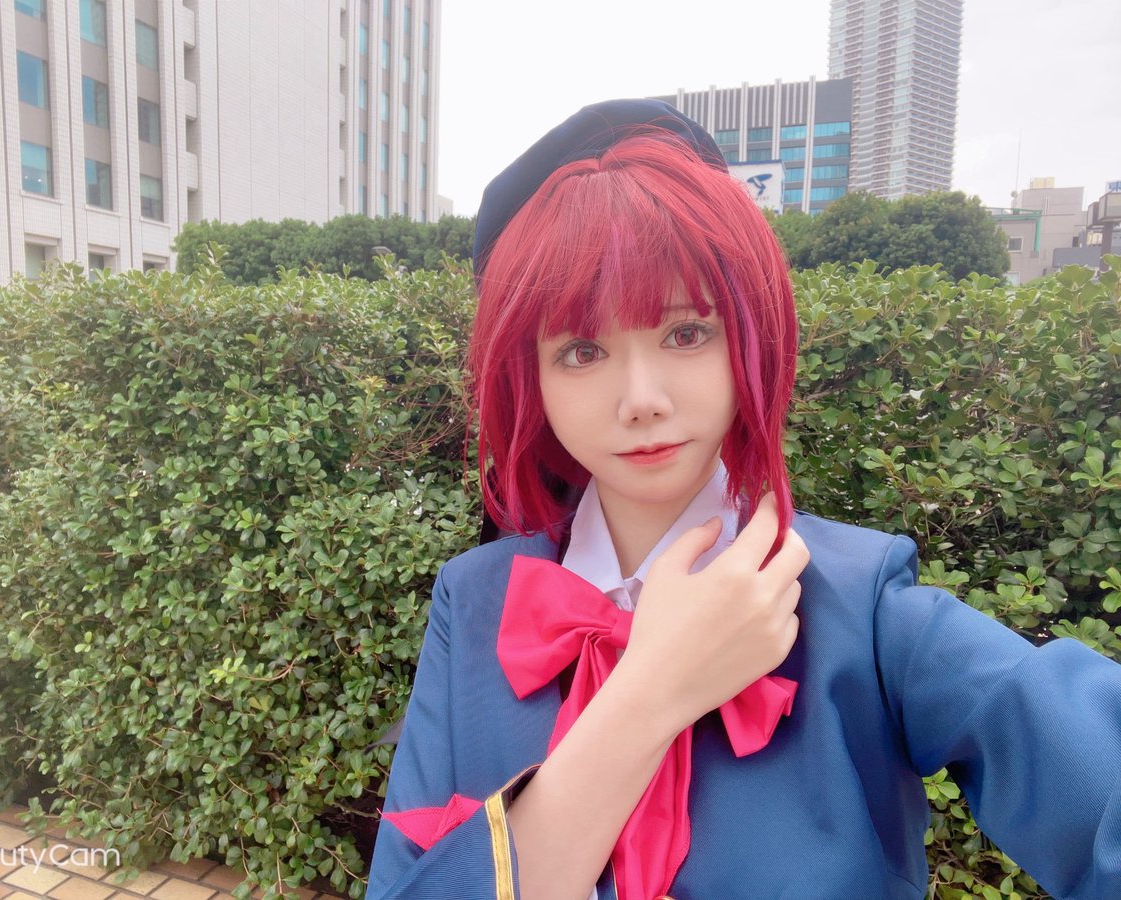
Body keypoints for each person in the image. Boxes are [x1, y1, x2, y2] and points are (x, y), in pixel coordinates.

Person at [365, 99, 1121, 900]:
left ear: (748, 340)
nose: (642, 399)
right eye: (582, 350)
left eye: (686, 333)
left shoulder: (861, 607)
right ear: (533, 379)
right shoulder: (474, 602)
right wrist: (653, 692)